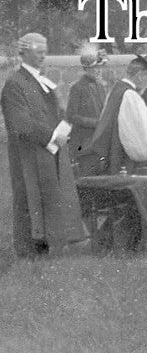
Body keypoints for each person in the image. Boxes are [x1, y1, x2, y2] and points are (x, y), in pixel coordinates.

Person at [2, 33, 85, 256]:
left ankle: (48, 245)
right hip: (28, 154)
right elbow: (20, 123)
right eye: (39, 52)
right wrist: (51, 136)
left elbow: (57, 112)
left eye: (44, 51)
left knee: (50, 198)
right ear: (25, 52)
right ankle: (30, 250)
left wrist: (64, 127)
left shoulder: (43, 80)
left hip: (48, 152)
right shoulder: (14, 84)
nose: (43, 56)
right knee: (29, 198)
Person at [83, 55, 147, 177]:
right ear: (139, 75)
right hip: (124, 161)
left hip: (110, 155)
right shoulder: (130, 95)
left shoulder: (117, 90)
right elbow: (140, 133)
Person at [67, 48, 109, 177]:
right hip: (84, 144)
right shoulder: (77, 88)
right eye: (94, 68)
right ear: (86, 69)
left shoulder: (101, 87)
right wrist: (96, 123)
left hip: (99, 143)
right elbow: (71, 116)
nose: (98, 71)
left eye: (99, 68)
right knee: (87, 179)